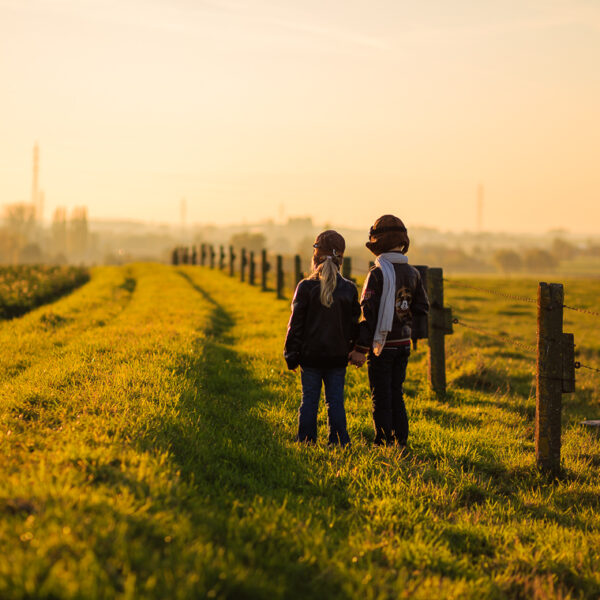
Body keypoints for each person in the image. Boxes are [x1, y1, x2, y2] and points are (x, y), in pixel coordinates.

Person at [348, 215, 429, 447]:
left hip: (381, 347)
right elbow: (422, 307)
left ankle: (382, 440)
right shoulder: (413, 273)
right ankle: (401, 439)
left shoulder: (377, 273)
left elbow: (369, 314)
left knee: (381, 395)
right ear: (403, 242)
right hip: (403, 344)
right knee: (397, 392)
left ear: (378, 244)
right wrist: (405, 321)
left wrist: (361, 348)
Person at [284, 230, 361, 446]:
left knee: (309, 400)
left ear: (315, 257)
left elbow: (295, 325)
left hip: (310, 357)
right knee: (335, 401)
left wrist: (291, 354)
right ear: (341, 259)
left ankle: (306, 440)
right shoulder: (348, 288)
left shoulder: (305, 287)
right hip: (337, 358)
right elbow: (354, 324)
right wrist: (356, 348)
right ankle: (339, 441)